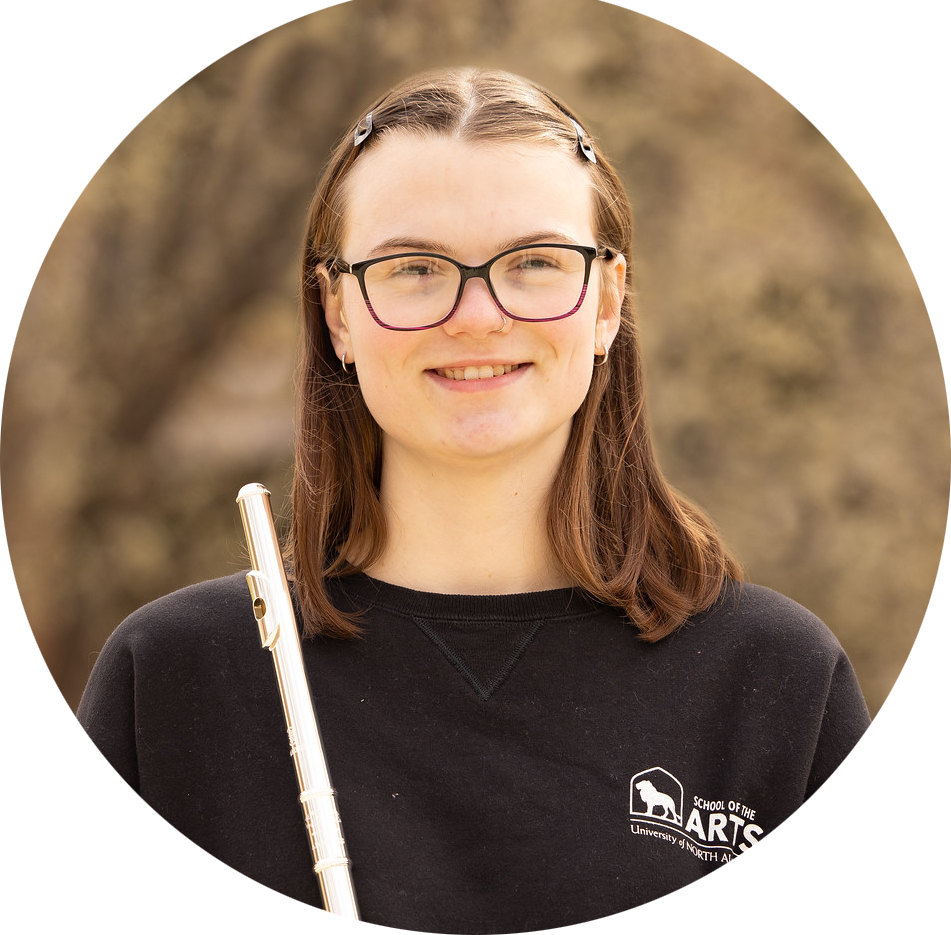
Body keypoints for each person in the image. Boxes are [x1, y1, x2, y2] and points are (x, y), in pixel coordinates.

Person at [0, 67, 895, 934]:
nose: (476, 315)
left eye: (536, 261)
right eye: (414, 267)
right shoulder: (169, 670)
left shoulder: (790, 673)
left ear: (606, 301)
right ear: (337, 313)